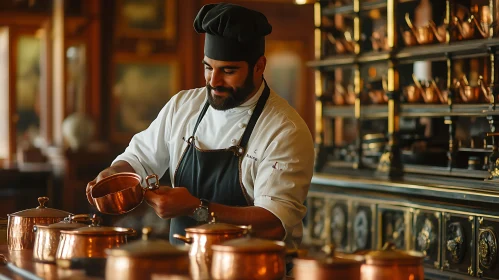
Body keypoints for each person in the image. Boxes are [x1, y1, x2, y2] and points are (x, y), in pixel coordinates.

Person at [87, 3, 314, 251]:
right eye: (208, 67)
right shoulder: (183, 107)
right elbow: (139, 159)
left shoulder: (284, 130)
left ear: (259, 66)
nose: (214, 81)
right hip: (183, 268)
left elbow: (274, 223)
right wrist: (114, 173)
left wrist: (197, 208)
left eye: (228, 71)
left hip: (252, 270)